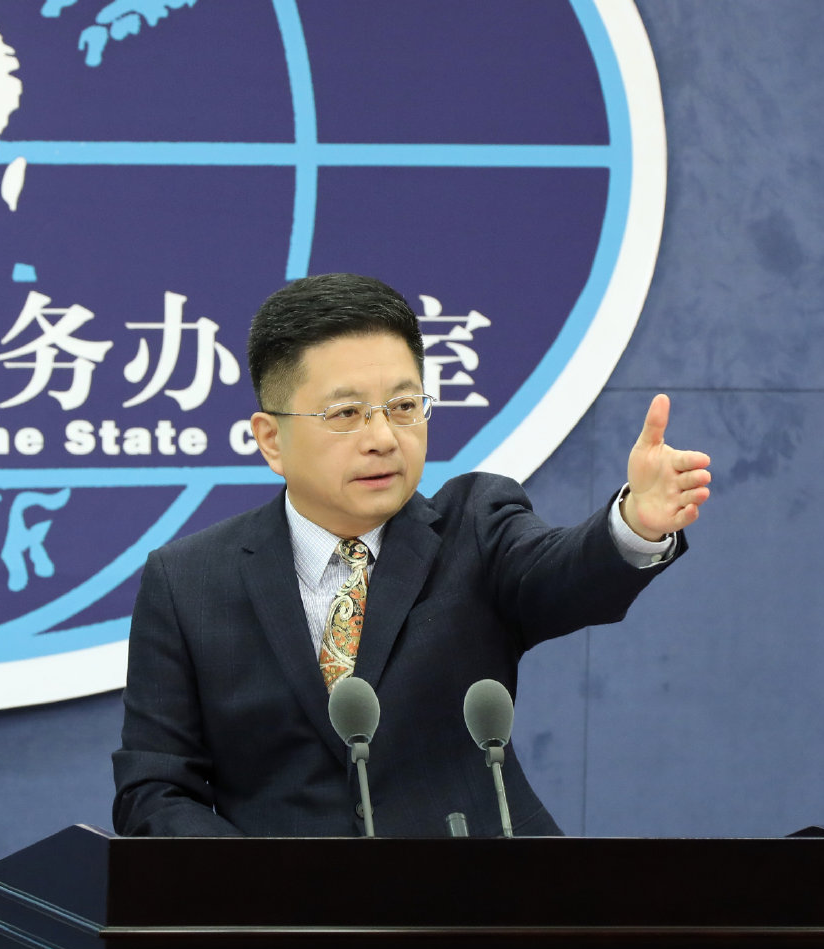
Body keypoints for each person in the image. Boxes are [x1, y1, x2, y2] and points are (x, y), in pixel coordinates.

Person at [112, 274, 710, 836]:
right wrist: (261, 887)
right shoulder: (188, 582)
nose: (382, 438)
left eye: (403, 407)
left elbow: (562, 574)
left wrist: (633, 525)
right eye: (346, 414)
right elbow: (155, 789)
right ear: (272, 439)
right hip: (281, 910)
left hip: (483, 901)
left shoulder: (474, 525)